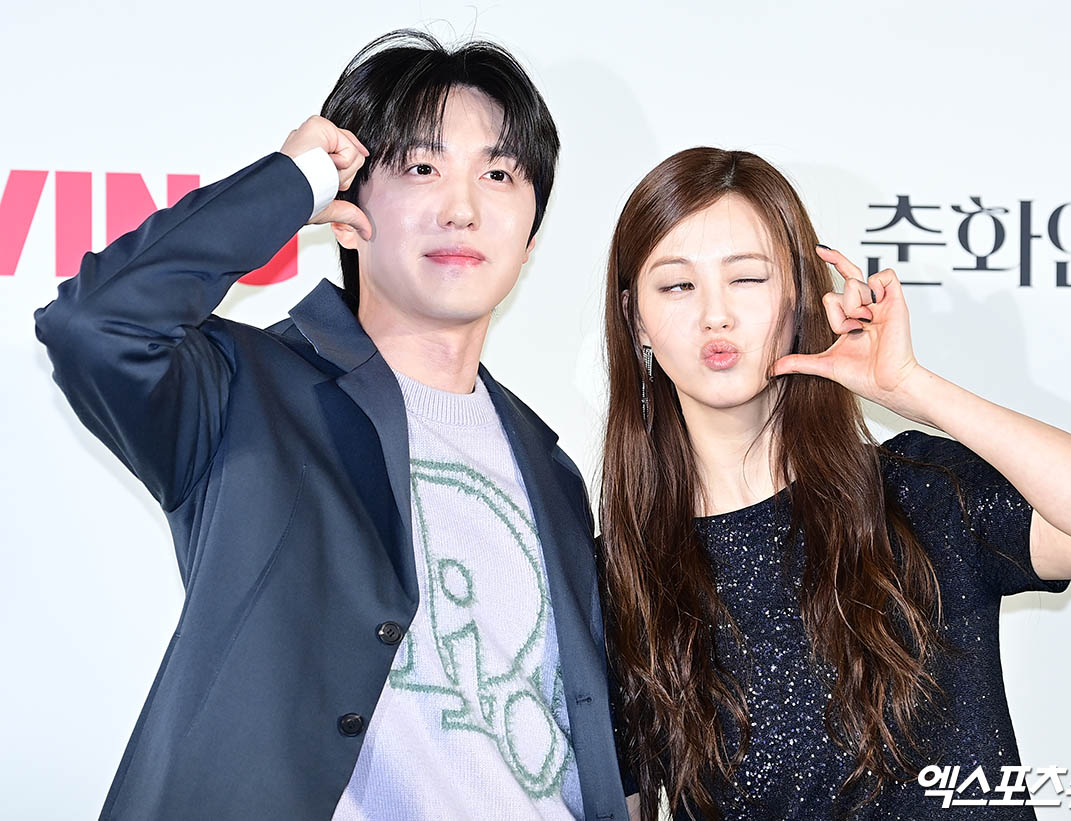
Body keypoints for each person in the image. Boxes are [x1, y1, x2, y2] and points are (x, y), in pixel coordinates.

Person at [34, 30, 633, 821]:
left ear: (529, 239)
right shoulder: (249, 391)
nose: (462, 208)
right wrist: (290, 184)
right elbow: (94, 325)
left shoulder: (551, 470)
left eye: (498, 174)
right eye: (421, 168)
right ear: (348, 213)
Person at [597, 147, 1071, 820]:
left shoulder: (917, 495)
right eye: (677, 286)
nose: (715, 315)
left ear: (798, 298)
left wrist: (911, 388)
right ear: (636, 319)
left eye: (747, 278)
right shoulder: (619, 577)